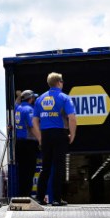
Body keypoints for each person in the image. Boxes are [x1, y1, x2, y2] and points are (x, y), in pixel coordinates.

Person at [32, 73, 77, 206]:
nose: (63, 83)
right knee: (58, 167)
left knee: (45, 167)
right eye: (62, 81)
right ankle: (56, 199)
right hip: (60, 134)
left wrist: (40, 137)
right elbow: (72, 118)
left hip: (45, 135)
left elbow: (34, 121)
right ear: (58, 82)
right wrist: (72, 134)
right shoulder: (64, 97)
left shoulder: (39, 99)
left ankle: (40, 198)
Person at [13, 90, 39, 198]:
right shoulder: (29, 109)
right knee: (29, 171)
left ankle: (21, 195)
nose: (34, 99)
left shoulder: (17, 108)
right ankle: (26, 196)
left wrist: (19, 96)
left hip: (18, 144)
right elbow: (32, 126)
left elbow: (16, 102)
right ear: (31, 99)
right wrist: (40, 139)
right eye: (33, 98)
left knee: (22, 171)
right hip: (29, 144)